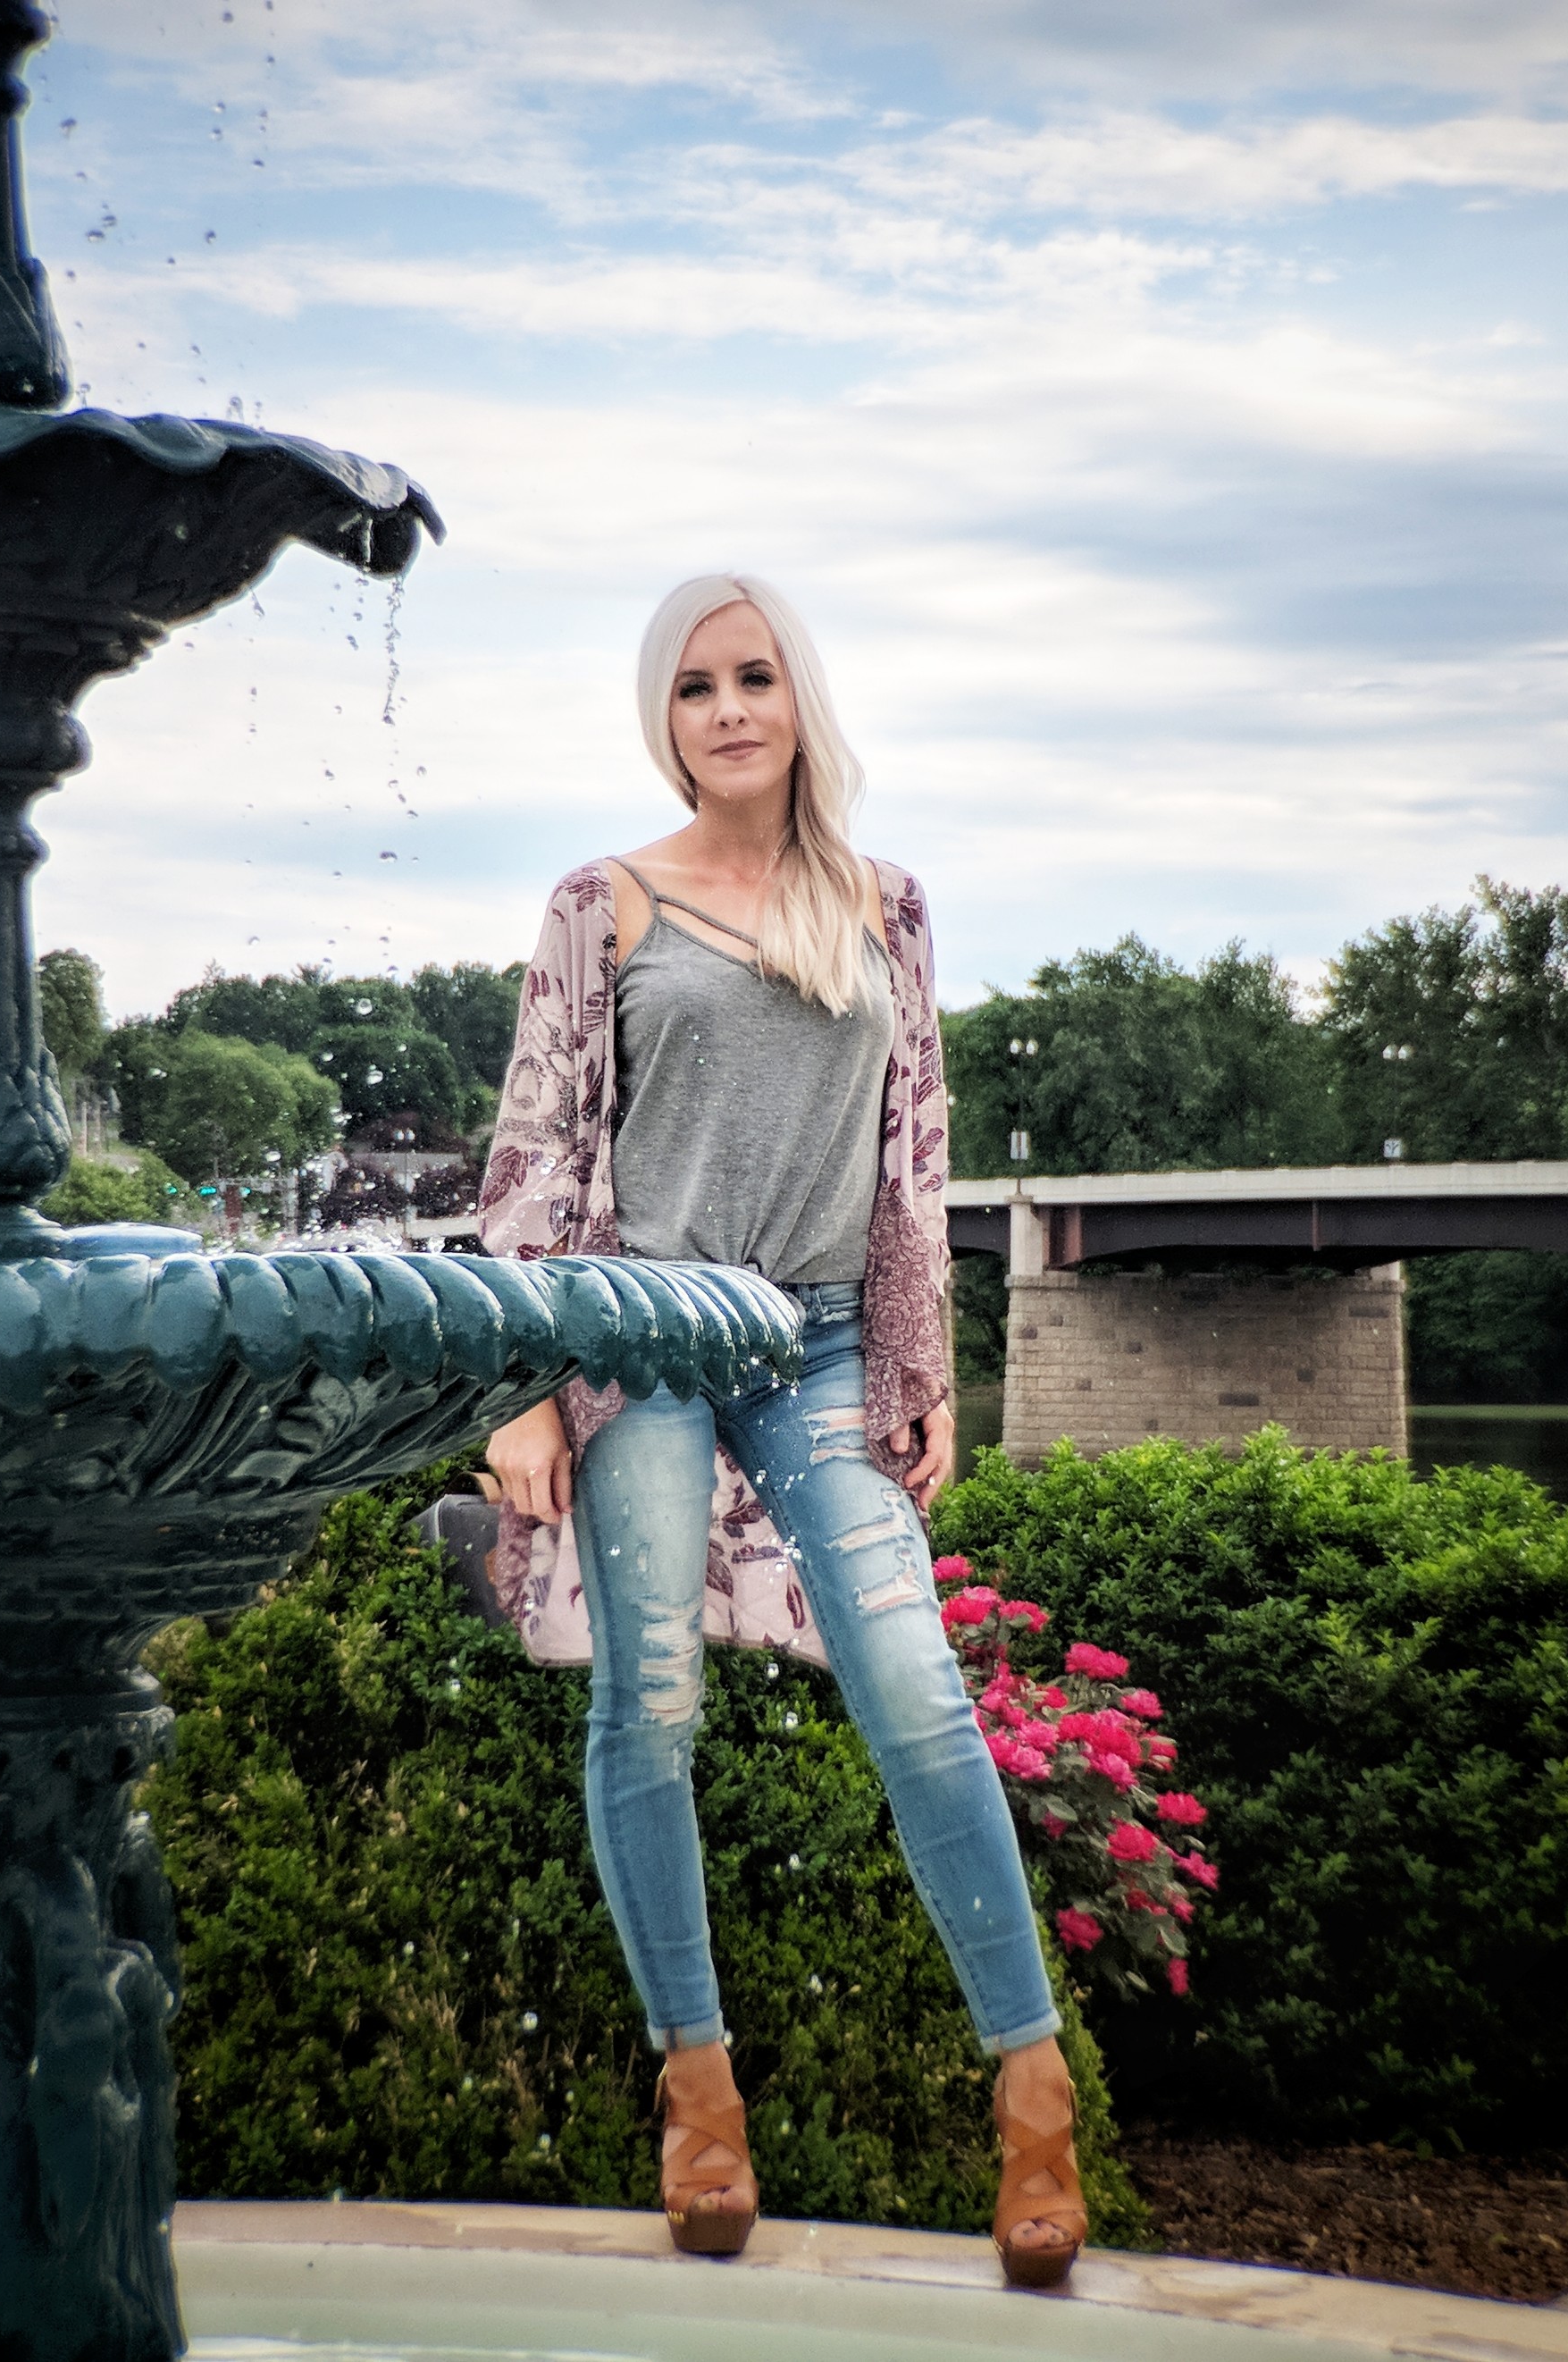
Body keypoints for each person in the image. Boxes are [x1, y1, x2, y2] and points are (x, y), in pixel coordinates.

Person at [479, 573, 1086, 2287]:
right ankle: (698, 2095)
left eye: (753, 677)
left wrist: (920, 1364)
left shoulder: (884, 906)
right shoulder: (601, 903)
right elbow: (536, 1145)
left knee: (914, 1685)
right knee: (650, 1702)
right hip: (642, 1339)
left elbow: (916, 1152)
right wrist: (518, 1387)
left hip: (817, 1345)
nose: (727, 709)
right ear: (662, 719)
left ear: (798, 696)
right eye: (694, 687)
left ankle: (1033, 2098)